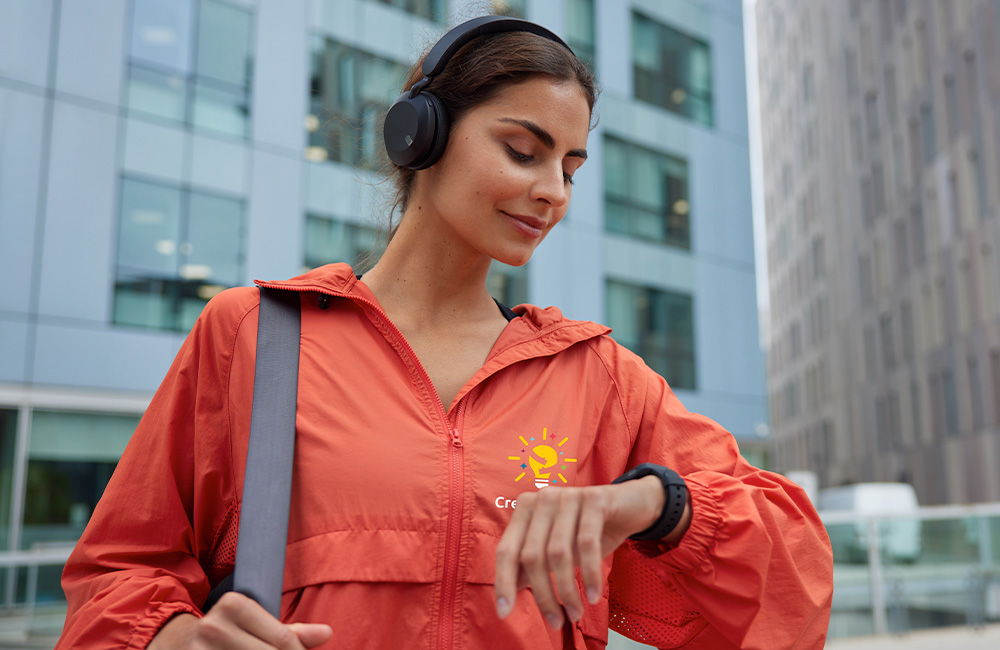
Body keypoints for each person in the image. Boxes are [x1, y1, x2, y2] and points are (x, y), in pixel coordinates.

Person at [56, 16, 832, 650]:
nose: (553, 192)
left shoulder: (596, 375)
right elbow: (116, 573)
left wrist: (656, 503)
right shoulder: (254, 337)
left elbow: (793, 581)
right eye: (522, 151)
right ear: (419, 137)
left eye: (570, 168)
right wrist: (172, 637)